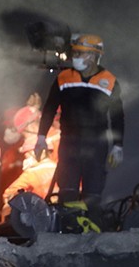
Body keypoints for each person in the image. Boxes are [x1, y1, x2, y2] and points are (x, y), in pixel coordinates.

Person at [34, 34, 124, 224]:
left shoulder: (109, 81)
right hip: (70, 141)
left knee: (93, 191)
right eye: (74, 52)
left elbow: (117, 117)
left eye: (79, 53)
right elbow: (49, 108)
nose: (75, 57)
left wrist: (118, 146)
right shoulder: (64, 78)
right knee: (67, 189)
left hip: (96, 143)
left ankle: (91, 232)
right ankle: (67, 229)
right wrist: (41, 137)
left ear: (92, 56)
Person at [0, 135, 58, 223]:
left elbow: (8, 195)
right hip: (59, 217)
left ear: (36, 152)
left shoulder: (32, 173)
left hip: (40, 219)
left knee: (7, 207)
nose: (26, 158)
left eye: (27, 155)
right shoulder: (62, 170)